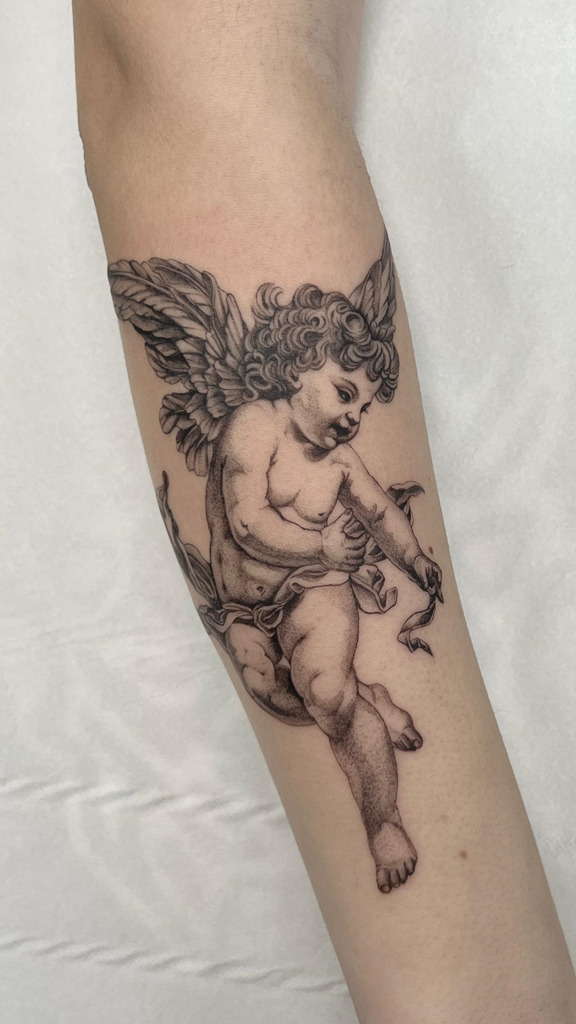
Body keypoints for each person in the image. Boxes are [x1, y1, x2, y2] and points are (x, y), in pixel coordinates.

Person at [72, 0, 576, 1019]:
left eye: (359, 401)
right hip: (250, 593)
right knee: (297, 691)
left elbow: (382, 514)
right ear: (293, 364)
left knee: (331, 694)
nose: (352, 415)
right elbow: (248, 524)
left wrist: (409, 561)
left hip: (313, 594)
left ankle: (384, 814)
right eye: (344, 391)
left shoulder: (338, 461)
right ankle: (373, 706)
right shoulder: (252, 433)